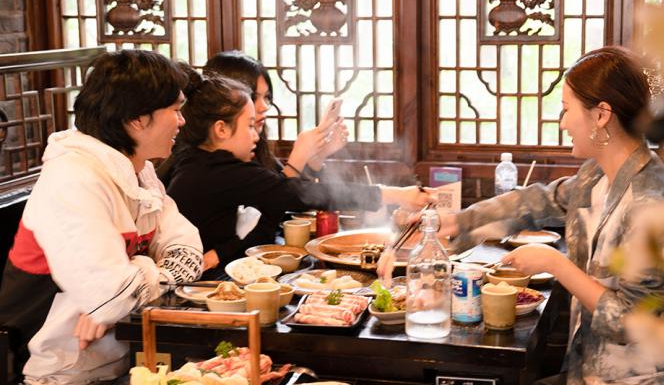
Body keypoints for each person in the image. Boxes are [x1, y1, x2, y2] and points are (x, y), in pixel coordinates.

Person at [381, 46, 664, 384]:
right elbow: (539, 200)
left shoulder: (648, 204)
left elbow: (630, 322)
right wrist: (458, 221)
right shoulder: (599, 174)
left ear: (601, 115)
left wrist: (554, 263)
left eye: (565, 110)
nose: (562, 124)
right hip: (589, 367)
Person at [0, 50, 203, 384]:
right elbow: (113, 298)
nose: (182, 121)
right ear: (139, 118)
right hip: (55, 372)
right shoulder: (73, 180)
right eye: (175, 110)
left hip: (123, 360)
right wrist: (143, 272)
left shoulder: (140, 172)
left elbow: (190, 251)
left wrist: (133, 279)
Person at [165, 68, 433, 278]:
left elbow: (272, 211)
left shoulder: (201, 162)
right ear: (221, 129)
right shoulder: (220, 172)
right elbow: (300, 194)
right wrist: (395, 194)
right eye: (249, 126)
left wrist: (220, 252)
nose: (256, 134)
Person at [202, 50, 346, 179]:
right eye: (253, 97)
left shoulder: (257, 145)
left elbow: (292, 194)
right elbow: (278, 196)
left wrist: (317, 157)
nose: (264, 106)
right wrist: (299, 156)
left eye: (266, 97)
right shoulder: (210, 166)